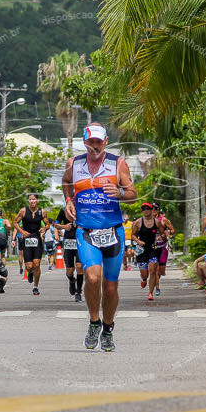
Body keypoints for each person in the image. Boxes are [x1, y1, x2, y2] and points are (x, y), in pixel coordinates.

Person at [62, 123, 137, 352]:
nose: (95, 145)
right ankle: (94, 322)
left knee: (111, 287)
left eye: (99, 141)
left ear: (105, 141)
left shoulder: (118, 163)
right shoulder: (74, 164)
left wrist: (121, 193)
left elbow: (133, 195)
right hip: (86, 232)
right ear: (85, 142)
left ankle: (107, 327)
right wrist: (68, 201)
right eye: (91, 141)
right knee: (92, 279)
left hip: (113, 232)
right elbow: (66, 183)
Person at [15, 193, 51, 296]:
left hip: (37, 239)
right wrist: (22, 232)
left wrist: (44, 228)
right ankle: (30, 272)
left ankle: (35, 287)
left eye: (33, 199)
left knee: (36, 264)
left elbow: (48, 224)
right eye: (30, 200)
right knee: (29, 266)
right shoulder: (23, 211)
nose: (31, 201)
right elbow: (15, 222)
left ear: (37, 201)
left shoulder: (42, 212)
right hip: (27, 239)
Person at [132, 202, 166, 302]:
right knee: (145, 274)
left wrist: (160, 237)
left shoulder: (157, 222)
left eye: (148, 208)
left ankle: (150, 293)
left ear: (151, 210)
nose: (146, 211)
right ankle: (143, 279)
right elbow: (133, 235)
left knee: (153, 269)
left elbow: (164, 233)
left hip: (153, 248)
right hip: (142, 249)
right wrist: (138, 241)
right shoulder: (138, 222)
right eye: (143, 209)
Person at [56, 206, 84, 301]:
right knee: (69, 270)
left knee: (79, 266)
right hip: (69, 242)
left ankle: (78, 291)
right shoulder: (64, 210)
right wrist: (64, 227)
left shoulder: (83, 208)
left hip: (81, 241)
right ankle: (72, 280)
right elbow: (56, 224)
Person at [151, 203, 175, 296]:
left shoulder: (164, 220)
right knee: (154, 268)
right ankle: (157, 287)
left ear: (158, 210)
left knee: (161, 270)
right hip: (153, 246)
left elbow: (172, 230)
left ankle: (157, 278)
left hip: (163, 246)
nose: (153, 210)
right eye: (151, 209)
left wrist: (167, 232)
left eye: (155, 209)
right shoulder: (147, 220)